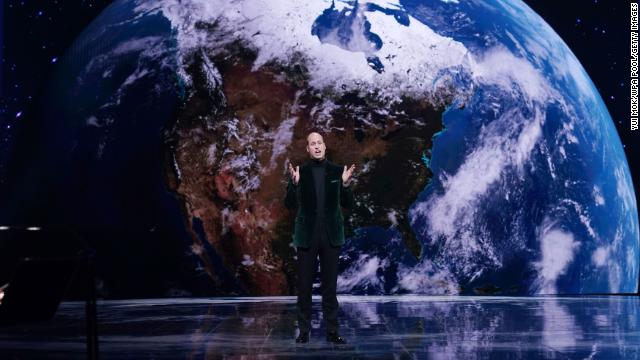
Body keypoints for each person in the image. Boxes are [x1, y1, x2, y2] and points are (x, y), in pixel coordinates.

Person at [285, 131, 355, 344]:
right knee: (304, 287)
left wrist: (344, 185)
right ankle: (304, 332)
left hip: (331, 236)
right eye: (312, 144)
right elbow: (289, 204)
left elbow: (347, 204)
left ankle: (332, 332)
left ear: (324, 146)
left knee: (329, 287)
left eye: (319, 143)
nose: (316, 146)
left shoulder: (336, 171)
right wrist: (293, 184)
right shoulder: (301, 172)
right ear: (307, 149)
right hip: (307, 236)